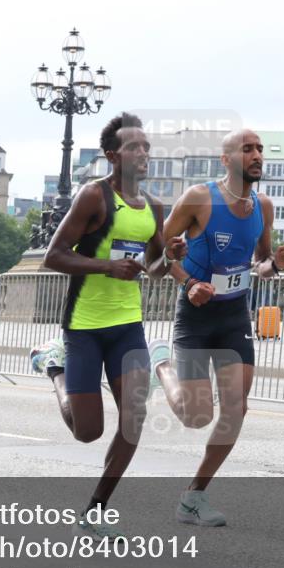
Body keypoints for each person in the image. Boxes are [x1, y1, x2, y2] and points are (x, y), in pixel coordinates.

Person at [29, 112, 185, 540]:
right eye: (134, 147)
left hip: (127, 326)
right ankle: (53, 367)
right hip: (83, 326)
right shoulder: (93, 197)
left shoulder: (153, 207)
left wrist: (170, 254)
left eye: (147, 146)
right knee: (87, 431)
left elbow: (152, 270)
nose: (143, 153)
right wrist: (105, 266)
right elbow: (53, 255)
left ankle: (96, 509)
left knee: (134, 417)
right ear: (112, 155)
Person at [148, 129, 284, 527]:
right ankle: (160, 365)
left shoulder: (263, 206)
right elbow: (157, 252)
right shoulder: (199, 198)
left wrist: (276, 264)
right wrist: (189, 282)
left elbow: (261, 264)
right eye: (248, 149)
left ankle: (194, 496)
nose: (257, 155)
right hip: (195, 315)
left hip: (235, 317)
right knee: (196, 417)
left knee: (236, 407)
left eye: (260, 149)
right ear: (226, 159)